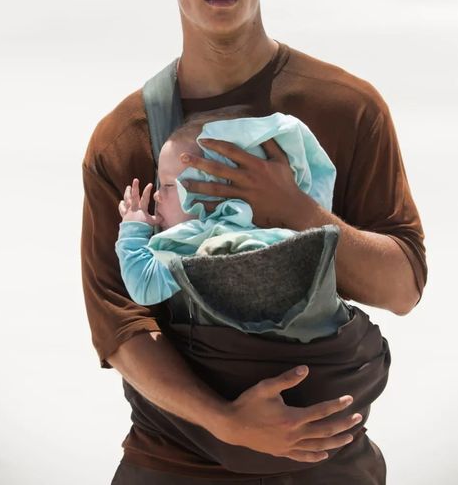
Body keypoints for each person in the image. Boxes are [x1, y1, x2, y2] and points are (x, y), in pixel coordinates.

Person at [81, 0, 426, 484]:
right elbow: (120, 323)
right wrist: (227, 420)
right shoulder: (126, 135)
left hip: (325, 461)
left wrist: (296, 210)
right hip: (171, 462)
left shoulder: (347, 107)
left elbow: (401, 288)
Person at [115, 110, 351, 341]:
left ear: (209, 189)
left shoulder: (199, 244)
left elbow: (144, 285)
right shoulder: (287, 235)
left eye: (167, 185)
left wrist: (133, 228)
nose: (157, 195)